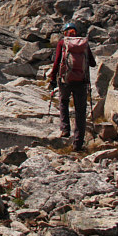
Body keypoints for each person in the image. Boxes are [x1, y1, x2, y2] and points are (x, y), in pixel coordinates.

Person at [48, 22, 96, 151]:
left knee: (63, 102)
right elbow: (92, 63)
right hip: (81, 81)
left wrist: (52, 78)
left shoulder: (62, 43)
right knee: (80, 111)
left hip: (65, 80)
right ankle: (78, 143)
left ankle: (65, 129)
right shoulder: (84, 43)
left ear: (65, 33)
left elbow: (57, 61)